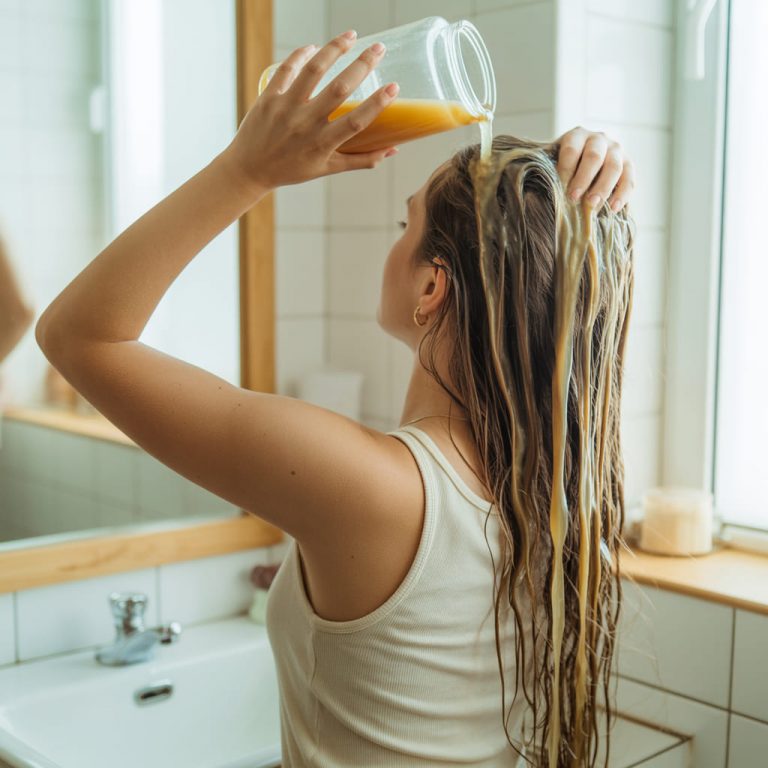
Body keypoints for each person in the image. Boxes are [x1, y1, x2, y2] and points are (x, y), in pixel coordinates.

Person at [35, 30, 635, 767]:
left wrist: (245, 168)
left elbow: (80, 338)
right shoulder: (554, 488)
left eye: (403, 224)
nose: (396, 239)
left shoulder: (372, 488)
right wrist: (567, 196)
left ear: (430, 287)